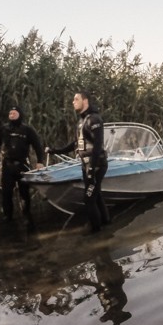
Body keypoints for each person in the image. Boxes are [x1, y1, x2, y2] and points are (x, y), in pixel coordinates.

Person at [47, 91, 109, 232]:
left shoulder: (94, 120)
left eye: (76, 99)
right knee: (96, 195)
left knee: (88, 199)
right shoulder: (81, 121)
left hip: (96, 165)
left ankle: (96, 233)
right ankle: (106, 223)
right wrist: (54, 150)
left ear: (85, 101)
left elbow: (98, 146)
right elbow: (75, 144)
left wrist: (92, 171)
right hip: (86, 165)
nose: (73, 102)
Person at [0, 105, 45, 228]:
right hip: (8, 165)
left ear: (20, 115)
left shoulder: (27, 130)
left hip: (22, 164)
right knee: (6, 193)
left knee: (24, 192)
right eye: (10, 113)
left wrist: (40, 161)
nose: (12, 114)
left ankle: (26, 214)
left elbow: (38, 146)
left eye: (14, 112)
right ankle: (8, 216)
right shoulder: (3, 129)